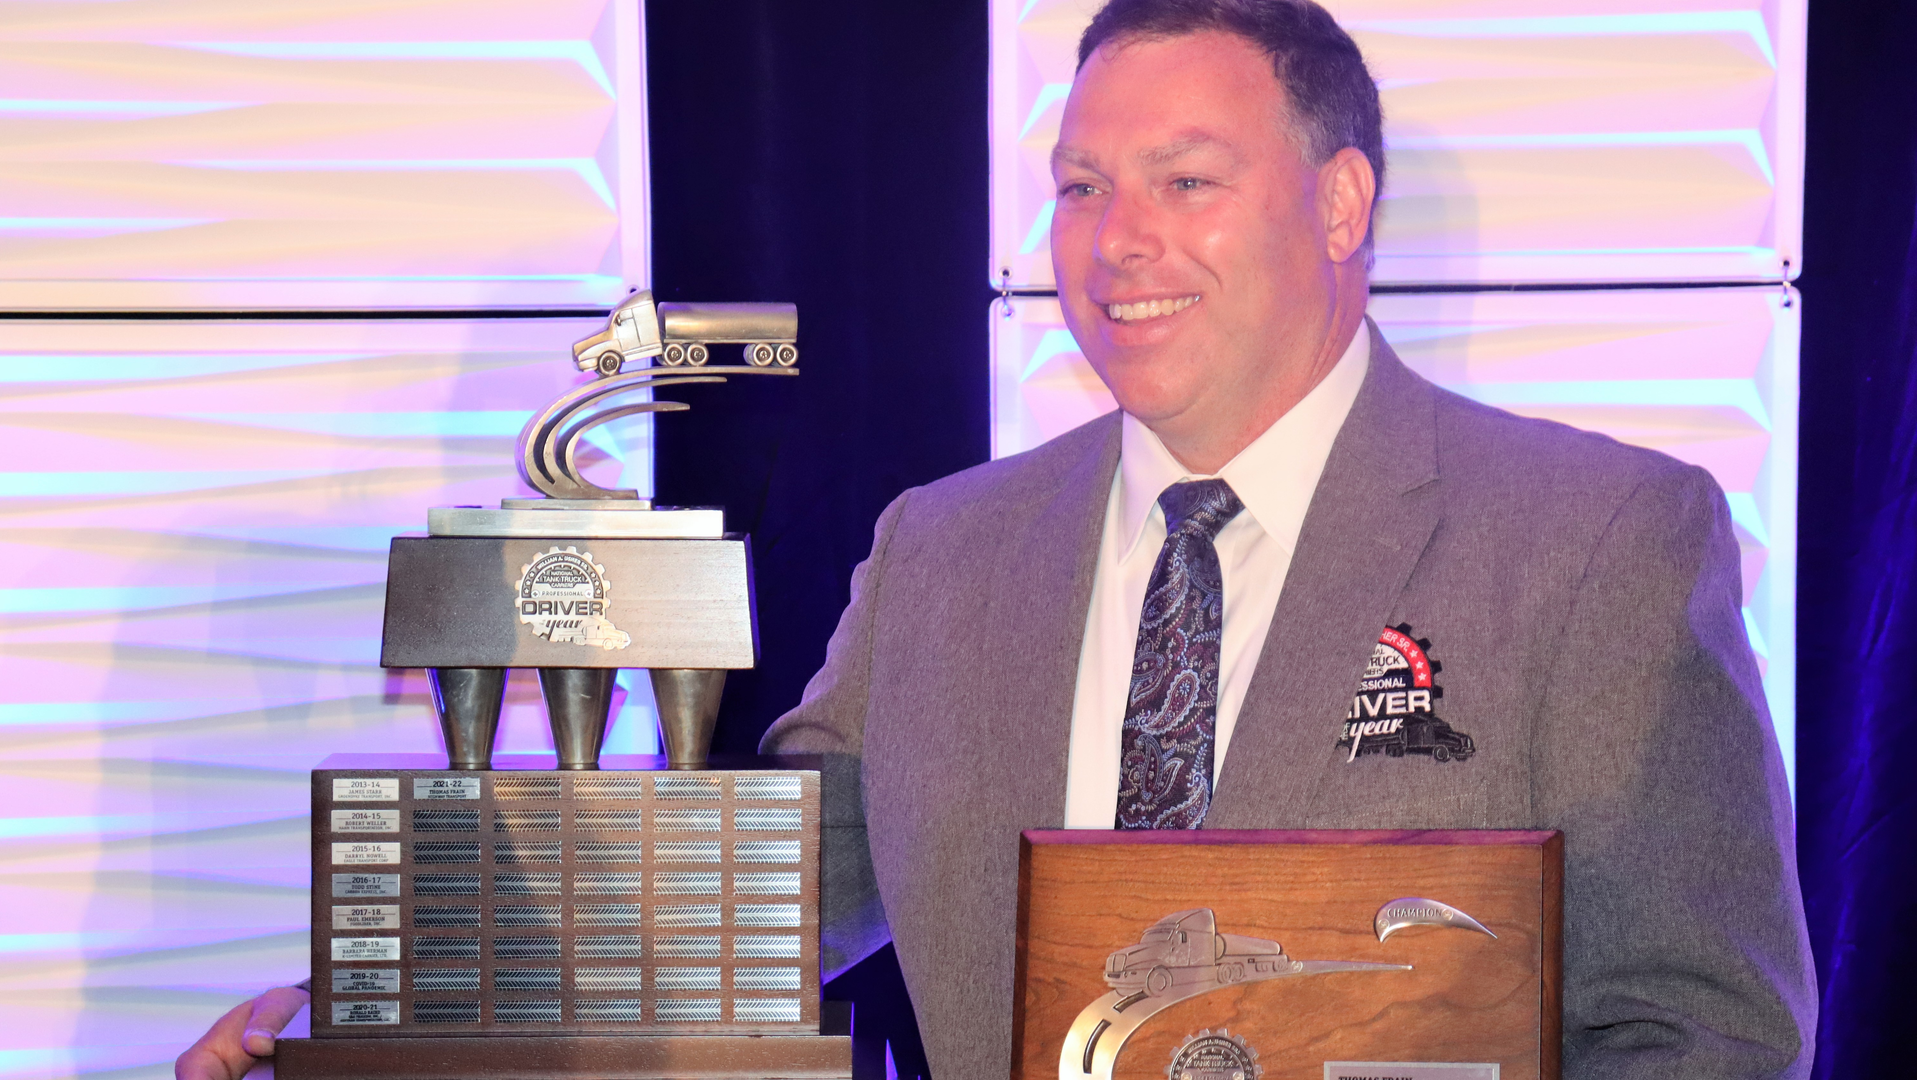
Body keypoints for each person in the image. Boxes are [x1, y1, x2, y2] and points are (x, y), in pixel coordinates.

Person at [178, 2, 1815, 1078]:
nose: (1119, 242)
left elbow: (1707, 1026)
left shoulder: (1601, 540)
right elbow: (762, 897)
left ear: (1339, 203)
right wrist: (381, 1015)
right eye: (1082, 185)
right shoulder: (947, 551)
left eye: (1185, 179)